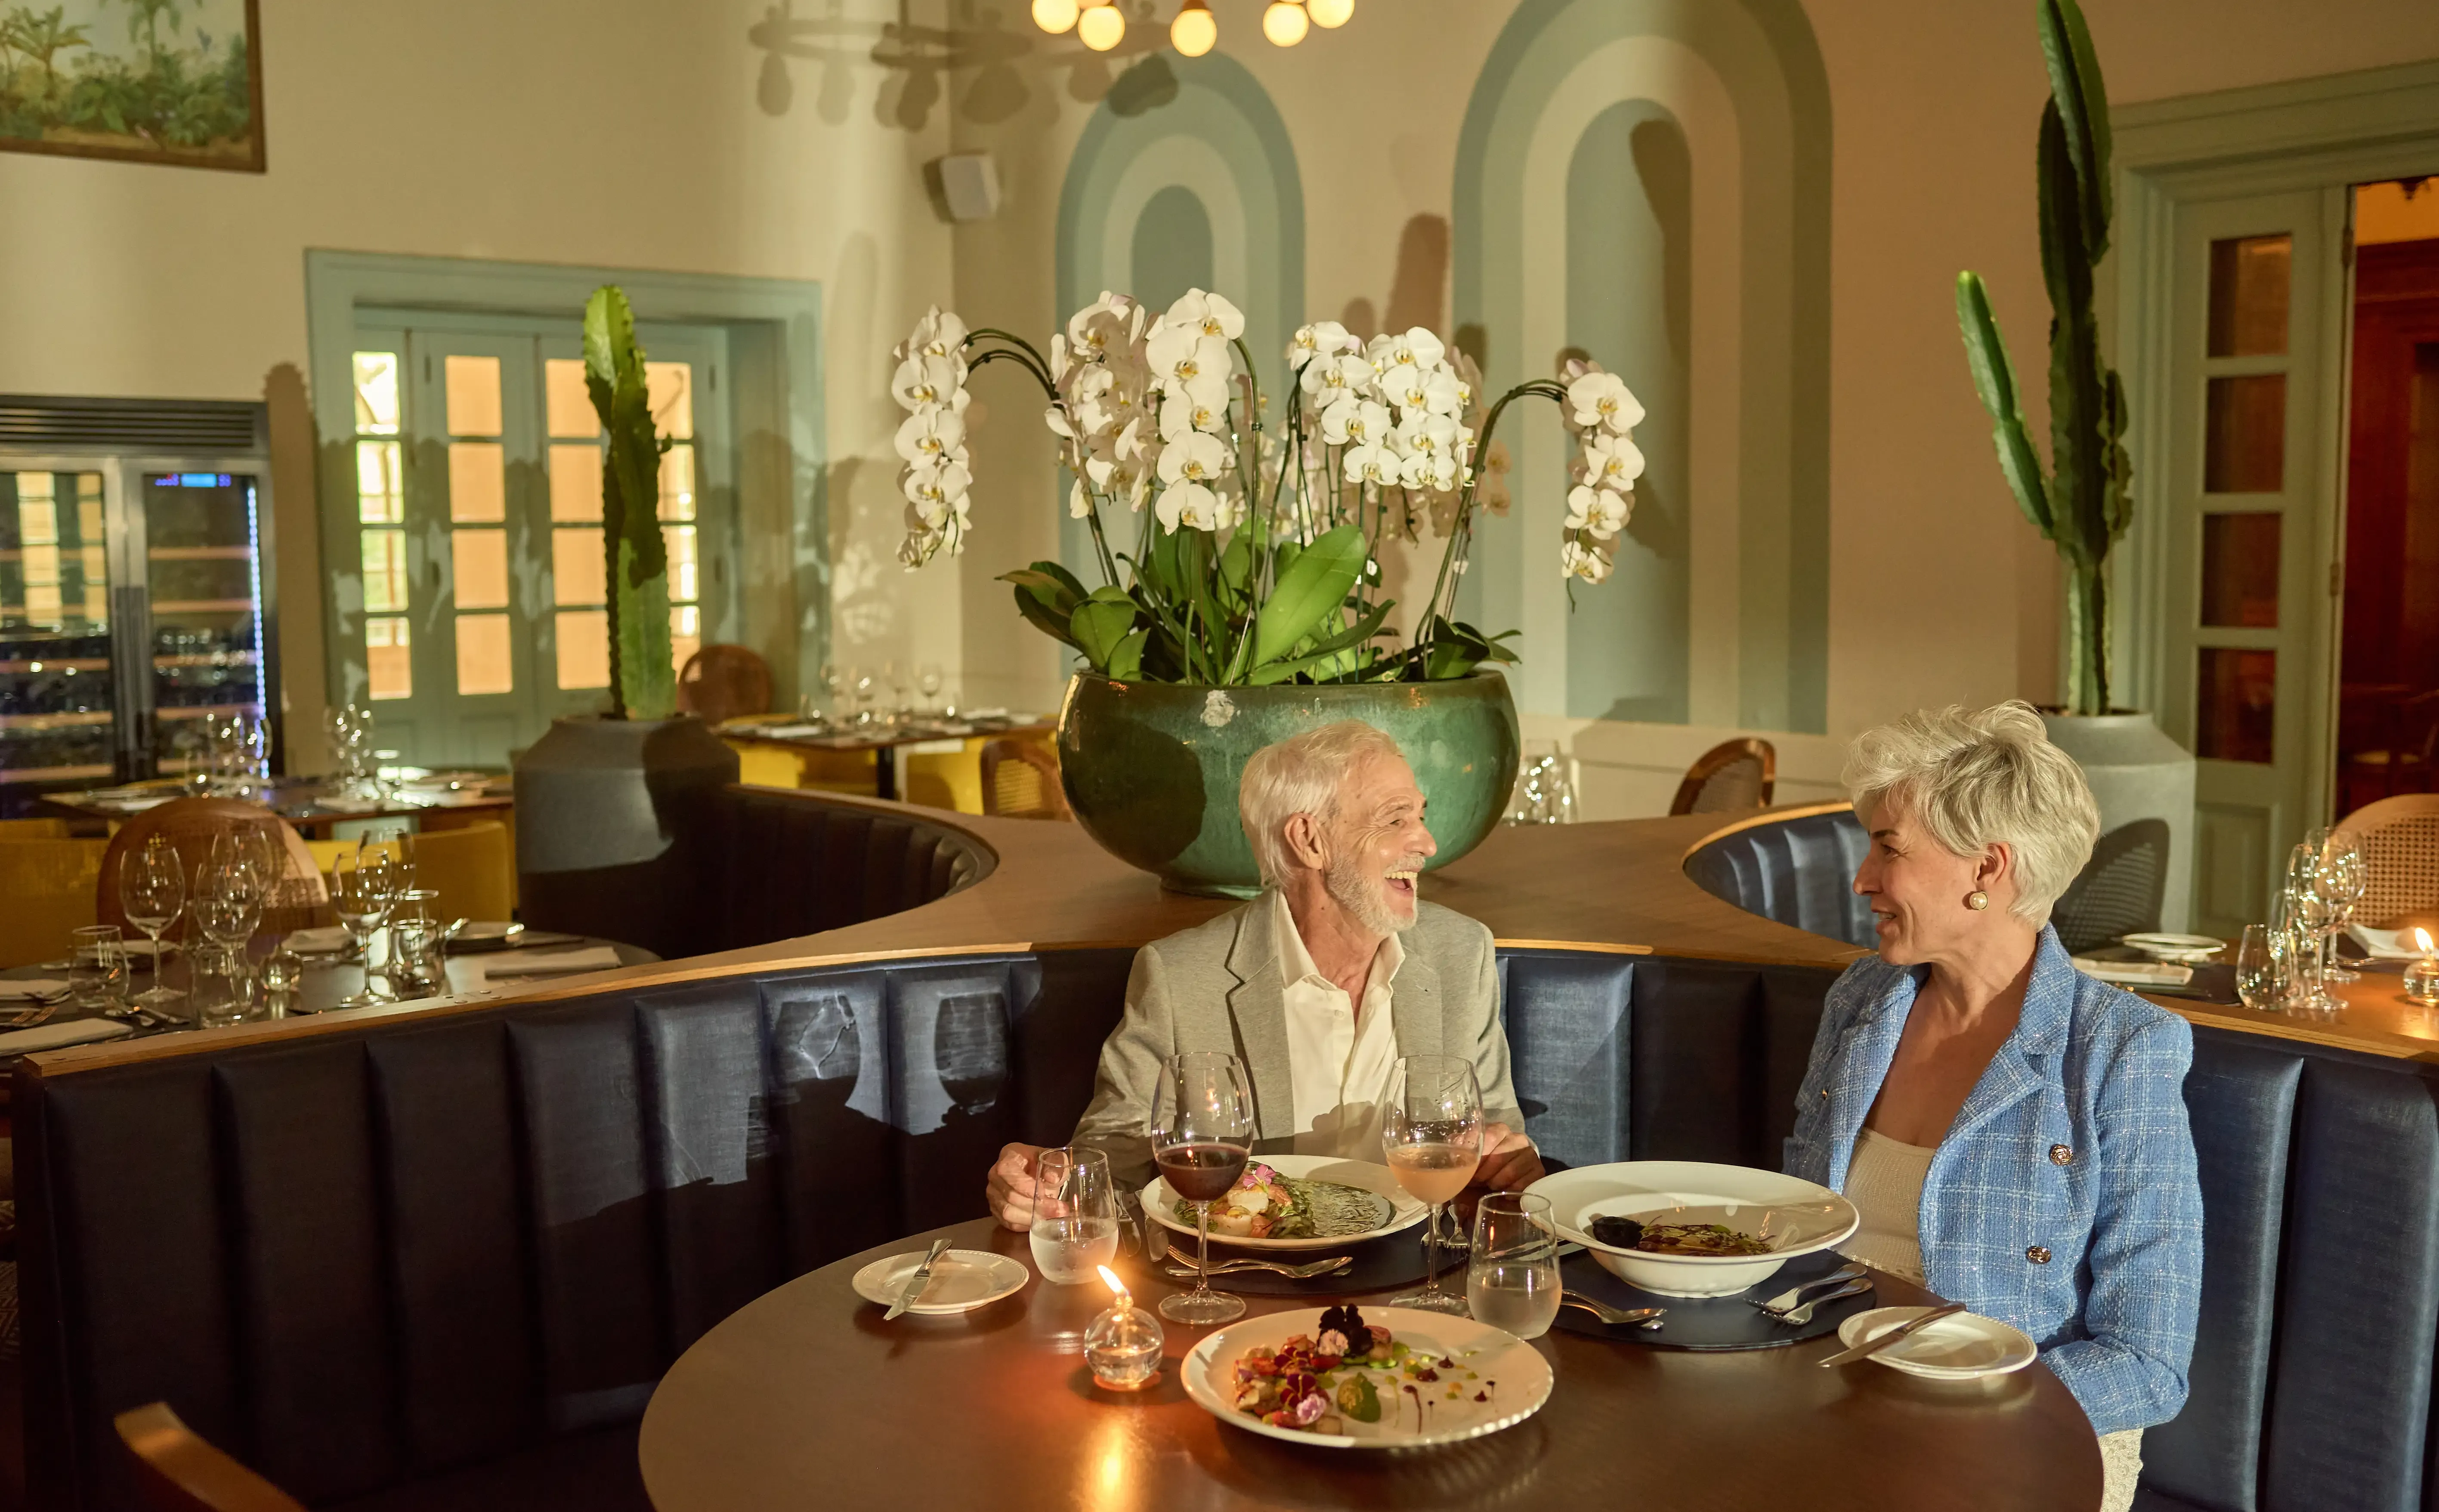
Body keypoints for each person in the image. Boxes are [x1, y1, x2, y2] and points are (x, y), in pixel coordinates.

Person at [1783, 701, 2201, 1512]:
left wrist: (1952, 1402)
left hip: (2024, 1435)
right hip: (1832, 1403)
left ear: (1986, 869)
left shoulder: (2121, 1050)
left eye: (1888, 847)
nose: (1863, 877)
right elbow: (1802, 1229)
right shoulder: (1862, 999)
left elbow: (2148, 1359)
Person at [987, 719, 1543, 1227]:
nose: (1426, 842)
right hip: (1249, 1292)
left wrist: (1508, 1165)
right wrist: (1047, 1189)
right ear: (1309, 840)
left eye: (1420, 815)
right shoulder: (1181, 978)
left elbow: (1497, 1140)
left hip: (1416, 1283)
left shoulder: (1459, 954)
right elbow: (1116, 1170)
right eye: (1395, 819)